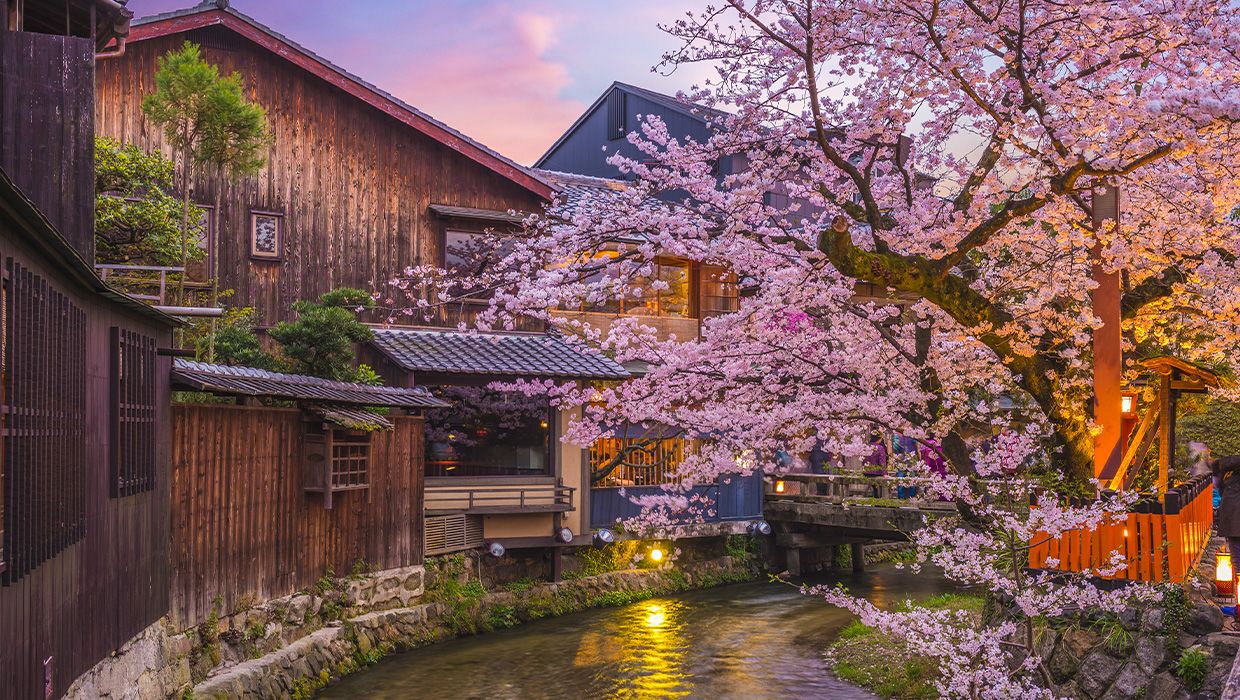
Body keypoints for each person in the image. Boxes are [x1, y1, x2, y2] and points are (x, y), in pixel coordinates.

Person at [1212, 455, 1240, 566]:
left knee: (1237, 556)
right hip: (1233, 514)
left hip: (1232, 515)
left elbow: (1218, 486)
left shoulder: (1228, 473)